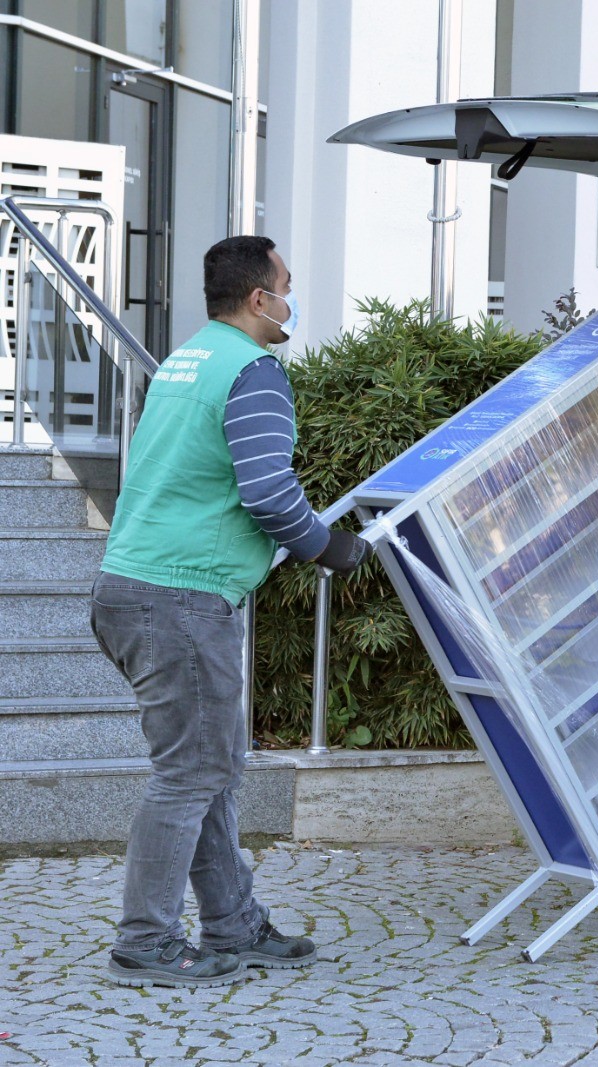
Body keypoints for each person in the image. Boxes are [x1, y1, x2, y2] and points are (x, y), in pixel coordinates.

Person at [91, 235, 370, 988]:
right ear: (259, 299)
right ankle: (144, 939)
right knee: (190, 772)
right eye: (287, 283)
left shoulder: (186, 360)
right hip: (180, 596)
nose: (291, 297)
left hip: (135, 588)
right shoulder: (253, 371)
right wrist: (326, 547)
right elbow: (269, 492)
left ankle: (232, 922)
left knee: (212, 766)